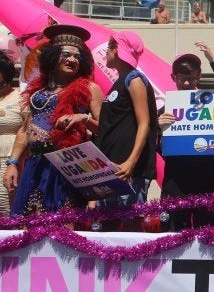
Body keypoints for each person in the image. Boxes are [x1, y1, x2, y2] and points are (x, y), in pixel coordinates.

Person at [3, 24, 103, 216]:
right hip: (34, 165)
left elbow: (104, 130)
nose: (72, 60)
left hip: (65, 167)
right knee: (28, 227)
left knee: (62, 228)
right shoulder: (37, 91)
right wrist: (13, 163)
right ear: (52, 56)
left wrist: (82, 117)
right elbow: (25, 129)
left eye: (77, 56)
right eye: (66, 54)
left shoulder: (89, 88)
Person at [158, 42, 214, 231]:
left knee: (205, 236)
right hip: (177, 182)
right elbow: (153, 144)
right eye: (181, 78)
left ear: (198, 76)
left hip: (208, 179)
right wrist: (157, 127)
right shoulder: (165, 109)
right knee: (171, 234)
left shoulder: (211, 101)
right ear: (173, 77)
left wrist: (212, 60)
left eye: (191, 78)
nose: (186, 83)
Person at [96, 31, 158, 231]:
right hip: (111, 167)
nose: (106, 52)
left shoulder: (135, 79)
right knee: (107, 227)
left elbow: (144, 123)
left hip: (128, 169)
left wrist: (130, 162)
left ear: (117, 49)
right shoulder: (119, 81)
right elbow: (113, 126)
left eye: (110, 47)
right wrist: (83, 119)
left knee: (131, 225)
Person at [0, 50, 21, 216]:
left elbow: (28, 130)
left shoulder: (20, 97)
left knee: (7, 210)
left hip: (9, 163)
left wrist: (13, 162)